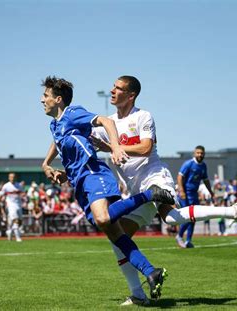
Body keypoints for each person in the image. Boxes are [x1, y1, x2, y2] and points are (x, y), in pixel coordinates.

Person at [91, 75, 237, 305]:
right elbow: (83, 140)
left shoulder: (143, 116)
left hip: (154, 177)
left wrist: (113, 146)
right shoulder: (108, 124)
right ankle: (138, 295)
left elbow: (146, 147)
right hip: (136, 190)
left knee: (170, 218)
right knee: (117, 237)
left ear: (131, 95)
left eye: (118, 88)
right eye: (112, 87)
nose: (112, 91)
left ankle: (233, 211)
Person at [40, 76, 176, 300]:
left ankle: (150, 194)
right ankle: (151, 272)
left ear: (58, 99)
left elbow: (106, 121)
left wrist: (114, 146)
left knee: (103, 219)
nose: (41, 99)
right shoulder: (55, 124)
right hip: (80, 182)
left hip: (93, 173)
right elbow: (58, 140)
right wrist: (47, 165)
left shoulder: (73, 113)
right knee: (113, 233)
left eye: (45, 96)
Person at [175, 145, 215, 248]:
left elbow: (205, 180)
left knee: (194, 218)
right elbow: (179, 177)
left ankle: (188, 241)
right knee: (188, 217)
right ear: (194, 153)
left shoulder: (203, 166)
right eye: (198, 153)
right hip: (185, 194)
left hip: (194, 194)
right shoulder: (188, 164)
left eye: (201, 153)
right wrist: (182, 191)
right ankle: (179, 236)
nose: (200, 155)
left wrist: (211, 191)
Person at [0, 173, 24, 242]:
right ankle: (17, 237)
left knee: (19, 221)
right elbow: (0, 195)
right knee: (15, 220)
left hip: (18, 205)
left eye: (13, 177)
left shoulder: (19, 185)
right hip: (10, 205)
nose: (12, 178)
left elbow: (22, 193)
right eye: (11, 177)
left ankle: (9, 231)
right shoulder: (6, 186)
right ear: (9, 178)